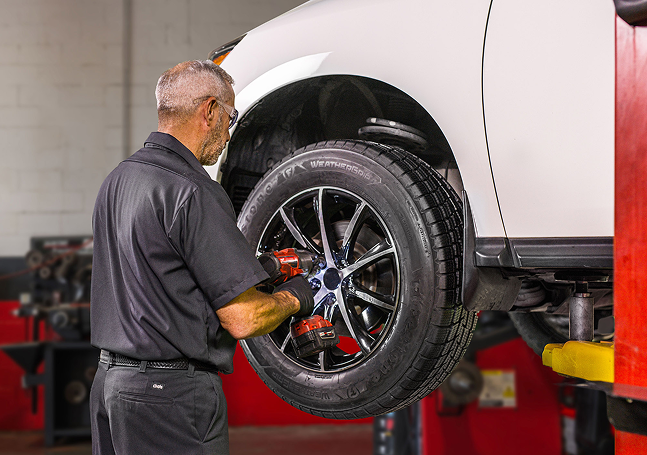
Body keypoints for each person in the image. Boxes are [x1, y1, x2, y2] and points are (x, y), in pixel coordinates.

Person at [89, 60, 314, 455]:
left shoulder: (119, 180)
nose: (228, 134)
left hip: (111, 385)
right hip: (169, 396)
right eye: (230, 117)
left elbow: (163, 275)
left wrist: (259, 270)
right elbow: (243, 319)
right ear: (209, 111)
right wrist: (296, 295)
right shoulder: (193, 191)